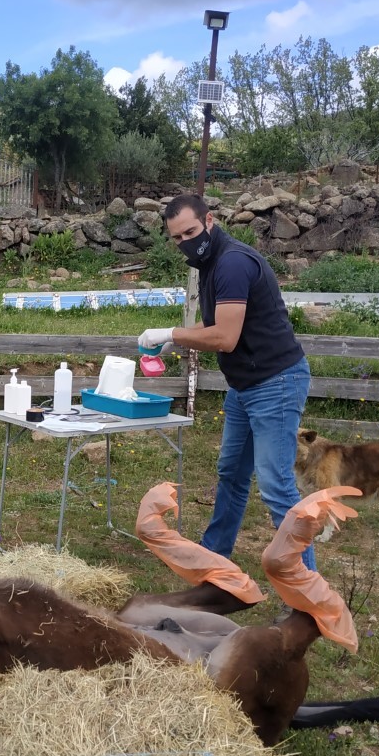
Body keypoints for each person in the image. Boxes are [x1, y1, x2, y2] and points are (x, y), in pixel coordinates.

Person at [138, 193, 314, 572]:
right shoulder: (210, 262)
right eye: (177, 238)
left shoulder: (232, 263)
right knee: (232, 473)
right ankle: (214, 555)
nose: (185, 242)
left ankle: (306, 585)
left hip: (276, 383)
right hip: (246, 386)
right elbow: (218, 322)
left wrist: (172, 332)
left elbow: (226, 338)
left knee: (276, 485)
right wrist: (177, 337)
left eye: (190, 232)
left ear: (210, 221)